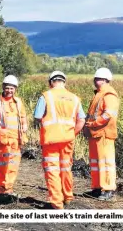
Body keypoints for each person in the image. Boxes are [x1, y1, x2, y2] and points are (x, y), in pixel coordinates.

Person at [33, 71, 86, 209]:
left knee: (52, 170)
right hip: (68, 139)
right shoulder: (74, 98)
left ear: (51, 82)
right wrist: (71, 133)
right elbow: (81, 120)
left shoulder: (46, 96)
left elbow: (38, 116)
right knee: (65, 168)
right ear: (64, 82)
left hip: (51, 139)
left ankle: (57, 203)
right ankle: (67, 197)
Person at [0, 75, 28, 200]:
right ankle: (0, 190)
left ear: (15, 89)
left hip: (16, 140)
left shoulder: (18, 102)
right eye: (7, 88)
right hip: (4, 140)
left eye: (12, 88)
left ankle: (8, 189)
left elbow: (23, 117)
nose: (9, 91)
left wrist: (25, 126)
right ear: (3, 87)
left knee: (13, 166)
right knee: (3, 166)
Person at [83, 67, 120, 201]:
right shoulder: (99, 94)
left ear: (106, 80)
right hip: (95, 134)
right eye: (96, 78)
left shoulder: (109, 95)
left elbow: (108, 114)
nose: (96, 81)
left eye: (98, 79)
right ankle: (97, 188)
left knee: (106, 163)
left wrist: (93, 124)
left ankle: (108, 189)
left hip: (104, 134)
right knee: (96, 163)